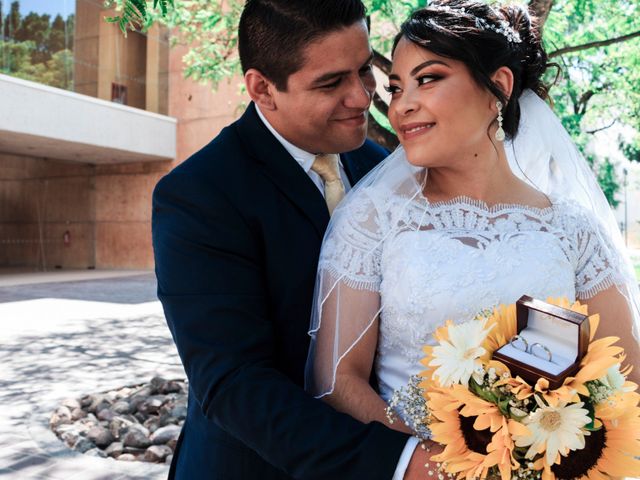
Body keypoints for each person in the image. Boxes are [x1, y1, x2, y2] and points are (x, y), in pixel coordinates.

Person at [306, 1, 640, 478]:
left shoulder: (572, 230)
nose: (401, 105)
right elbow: (337, 380)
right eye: (397, 87)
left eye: (428, 79)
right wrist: (445, 465)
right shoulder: (375, 218)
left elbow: (624, 382)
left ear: (498, 88)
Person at [152, 0, 433, 478]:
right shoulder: (198, 194)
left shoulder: (386, 168)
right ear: (263, 88)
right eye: (330, 83)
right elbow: (234, 384)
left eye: (363, 70)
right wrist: (401, 463)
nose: (363, 97)